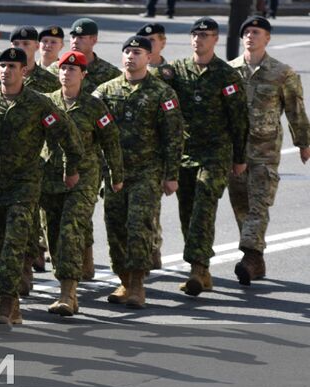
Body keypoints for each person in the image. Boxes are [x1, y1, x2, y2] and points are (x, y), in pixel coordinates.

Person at [0, 46, 81, 325]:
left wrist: (71, 169)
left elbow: (68, 136)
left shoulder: (38, 104)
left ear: (24, 71)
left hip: (25, 186)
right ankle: (14, 308)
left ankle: (5, 306)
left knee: (12, 246)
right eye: (2, 66)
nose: (5, 71)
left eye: (12, 67)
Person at [94, 35, 184, 309]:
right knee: (115, 227)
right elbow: (92, 132)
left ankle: (137, 284)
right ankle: (123, 278)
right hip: (114, 173)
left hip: (147, 171)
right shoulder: (105, 91)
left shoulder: (161, 92)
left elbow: (173, 135)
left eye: (138, 52)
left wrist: (171, 174)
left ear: (148, 57)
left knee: (138, 226)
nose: (131, 56)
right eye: (128, 52)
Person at [164, 17, 248, 296]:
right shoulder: (176, 70)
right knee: (187, 208)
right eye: (196, 34)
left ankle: (198, 268)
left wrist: (239, 157)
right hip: (185, 152)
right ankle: (203, 271)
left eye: (206, 35)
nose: (199, 39)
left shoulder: (226, 75)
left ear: (216, 40)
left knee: (203, 202)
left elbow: (239, 119)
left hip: (216, 153)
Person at [39, 50, 124, 316]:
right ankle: (66, 278)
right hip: (50, 177)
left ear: (83, 75)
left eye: (73, 70)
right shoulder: (46, 103)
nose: (67, 73)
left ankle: (68, 293)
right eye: (63, 69)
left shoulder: (93, 106)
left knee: (70, 228)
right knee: (52, 231)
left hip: (84, 177)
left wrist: (115, 175)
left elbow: (111, 141)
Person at [228, 16, 310, 285]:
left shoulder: (281, 72)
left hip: (265, 152)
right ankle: (258, 260)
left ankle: (250, 257)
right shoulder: (229, 72)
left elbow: (296, 110)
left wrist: (304, 143)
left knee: (258, 205)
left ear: (267, 38)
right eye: (247, 32)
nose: (250, 36)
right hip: (236, 153)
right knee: (241, 205)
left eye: (256, 32)